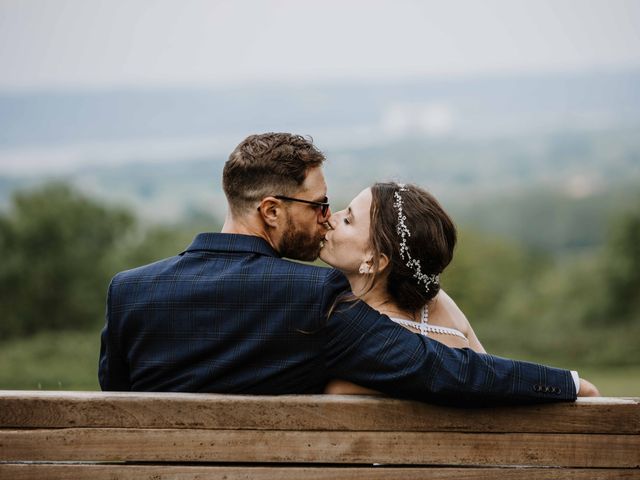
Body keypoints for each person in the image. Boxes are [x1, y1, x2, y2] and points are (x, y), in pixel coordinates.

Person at [99, 132, 598, 404]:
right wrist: (567, 383)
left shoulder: (128, 292)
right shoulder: (316, 296)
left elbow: (116, 403)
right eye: (318, 205)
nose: (325, 218)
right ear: (271, 211)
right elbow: (442, 368)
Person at [320, 183, 482, 394]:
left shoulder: (360, 344)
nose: (330, 218)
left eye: (348, 220)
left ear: (374, 261)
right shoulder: (441, 303)